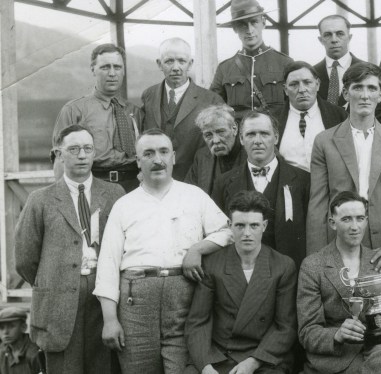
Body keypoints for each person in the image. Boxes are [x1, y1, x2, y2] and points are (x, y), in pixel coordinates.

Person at [94, 129, 233, 373]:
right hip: (136, 304)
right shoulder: (124, 205)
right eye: (148, 153)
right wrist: (110, 319)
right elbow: (108, 264)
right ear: (138, 161)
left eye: (163, 152)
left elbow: (227, 232)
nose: (157, 159)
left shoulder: (194, 196)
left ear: (173, 157)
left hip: (185, 299)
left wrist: (197, 249)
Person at [15, 125, 124, 373]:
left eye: (87, 148)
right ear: (59, 154)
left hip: (104, 299)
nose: (82, 155)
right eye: (73, 149)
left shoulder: (115, 194)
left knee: (104, 366)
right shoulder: (40, 200)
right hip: (58, 305)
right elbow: (24, 260)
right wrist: (54, 281)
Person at [307, 62, 381, 275]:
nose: (365, 95)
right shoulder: (324, 142)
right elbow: (318, 206)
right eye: (358, 87)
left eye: (371, 88)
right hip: (339, 249)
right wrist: (318, 263)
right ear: (345, 93)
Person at [186, 191, 297, 374]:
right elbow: (198, 322)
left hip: (263, 357)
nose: (247, 233)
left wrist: (253, 363)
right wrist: (205, 366)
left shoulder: (282, 266)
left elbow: (285, 327)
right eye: (240, 225)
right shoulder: (213, 264)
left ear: (264, 225)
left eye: (254, 225)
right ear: (230, 225)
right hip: (218, 355)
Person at [297, 191, 381, 374]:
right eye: (346, 219)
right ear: (333, 223)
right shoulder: (313, 265)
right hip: (334, 360)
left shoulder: (380, 261)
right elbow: (307, 331)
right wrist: (337, 334)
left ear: (366, 220)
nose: (355, 226)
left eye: (360, 218)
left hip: (377, 353)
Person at [212, 111, 311, 269]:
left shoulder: (303, 181)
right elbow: (218, 232)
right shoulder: (223, 183)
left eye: (264, 134)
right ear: (241, 139)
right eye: (251, 134)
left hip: (289, 273)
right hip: (240, 271)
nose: (257, 141)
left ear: (276, 138)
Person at [53, 43, 144, 192]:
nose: (112, 73)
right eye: (105, 67)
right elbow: (60, 160)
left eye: (117, 67)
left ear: (123, 71)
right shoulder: (74, 110)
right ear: (93, 70)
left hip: (132, 187)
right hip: (92, 186)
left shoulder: (135, 112)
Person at [141, 37, 224, 181]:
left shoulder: (211, 100)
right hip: (155, 179)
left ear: (190, 63)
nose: (175, 68)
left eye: (181, 61)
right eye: (169, 61)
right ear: (159, 64)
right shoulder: (149, 95)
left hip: (195, 180)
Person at [210, 0, 294, 120]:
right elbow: (213, 108)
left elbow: (296, 106)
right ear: (234, 28)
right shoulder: (224, 68)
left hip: (275, 135)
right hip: (239, 137)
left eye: (254, 22)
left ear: (263, 23)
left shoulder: (285, 63)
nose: (249, 30)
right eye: (242, 24)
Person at [277, 61, 348, 172]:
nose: (301, 90)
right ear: (285, 89)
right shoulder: (273, 119)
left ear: (317, 84)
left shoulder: (339, 115)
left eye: (307, 82)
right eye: (294, 84)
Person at [185, 104, 247, 195]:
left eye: (221, 132)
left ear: (234, 129)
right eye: (208, 135)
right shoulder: (201, 157)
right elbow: (188, 194)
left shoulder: (250, 153)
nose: (216, 140)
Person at [314, 15, 365, 108]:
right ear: (320, 40)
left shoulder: (368, 70)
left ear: (349, 37)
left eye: (340, 34)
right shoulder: (312, 73)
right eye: (327, 35)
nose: (334, 40)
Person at [0, 307, 40, 374]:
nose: (5, 332)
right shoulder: (2, 351)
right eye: (1, 328)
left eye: (11, 326)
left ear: (23, 327)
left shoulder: (34, 354)